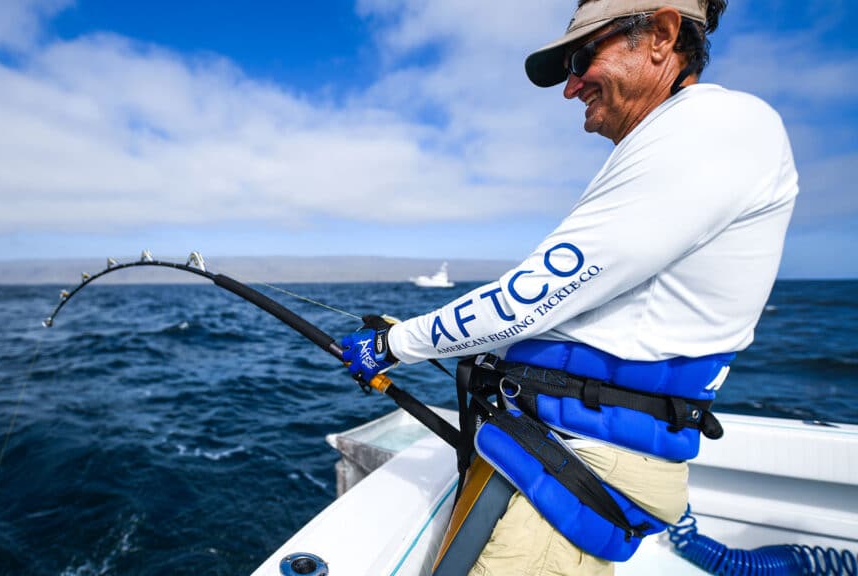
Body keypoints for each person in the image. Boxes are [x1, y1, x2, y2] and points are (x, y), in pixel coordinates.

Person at [340, 0, 798, 574]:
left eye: (582, 59)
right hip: (546, 455)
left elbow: (531, 297)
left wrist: (392, 345)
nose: (570, 87)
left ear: (661, 35)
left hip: (571, 476)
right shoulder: (682, 141)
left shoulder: (714, 128)